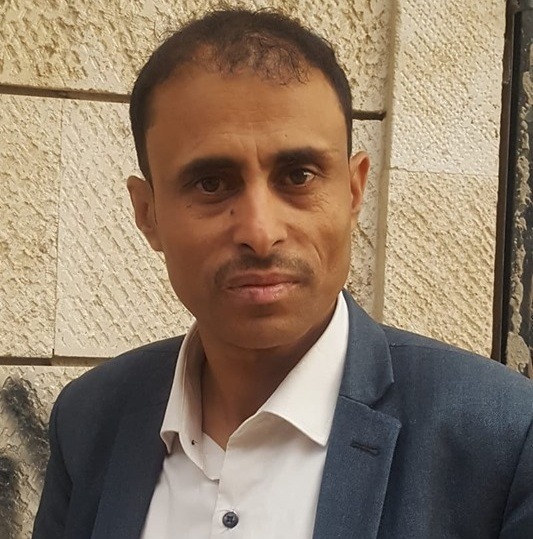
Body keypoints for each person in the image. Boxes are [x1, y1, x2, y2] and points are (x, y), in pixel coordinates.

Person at [33, 8, 533, 539]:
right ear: (147, 213)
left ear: (353, 191)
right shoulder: (90, 421)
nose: (260, 231)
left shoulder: (503, 438)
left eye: (298, 176)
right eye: (211, 184)